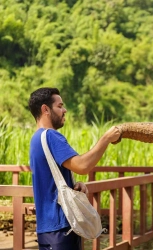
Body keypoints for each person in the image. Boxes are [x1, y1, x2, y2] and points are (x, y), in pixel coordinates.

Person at [28, 87, 122, 250]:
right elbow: (83, 166)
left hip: (46, 229)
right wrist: (106, 139)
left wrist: (73, 185)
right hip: (61, 229)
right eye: (59, 106)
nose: (64, 110)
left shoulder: (36, 139)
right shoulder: (51, 136)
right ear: (45, 109)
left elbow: (50, 180)